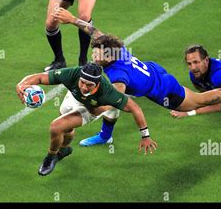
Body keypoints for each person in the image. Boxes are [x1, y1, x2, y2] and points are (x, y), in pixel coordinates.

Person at [52, 8, 221, 146]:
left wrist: (89, 108)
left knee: (200, 100)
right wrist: (72, 20)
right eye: (94, 52)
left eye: (98, 54)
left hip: (164, 90)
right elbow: (94, 32)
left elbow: (115, 101)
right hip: (153, 71)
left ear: (108, 56)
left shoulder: (118, 75)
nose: (94, 56)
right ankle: (106, 136)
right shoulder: (114, 49)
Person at [16, 63, 157, 176]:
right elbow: (40, 77)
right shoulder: (72, 74)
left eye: (89, 85)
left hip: (92, 108)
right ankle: (64, 149)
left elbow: (135, 108)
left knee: (56, 127)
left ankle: (51, 157)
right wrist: (21, 84)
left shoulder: (108, 93)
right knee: (67, 129)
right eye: (82, 82)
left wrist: (146, 136)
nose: (84, 86)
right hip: (74, 97)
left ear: (97, 84)